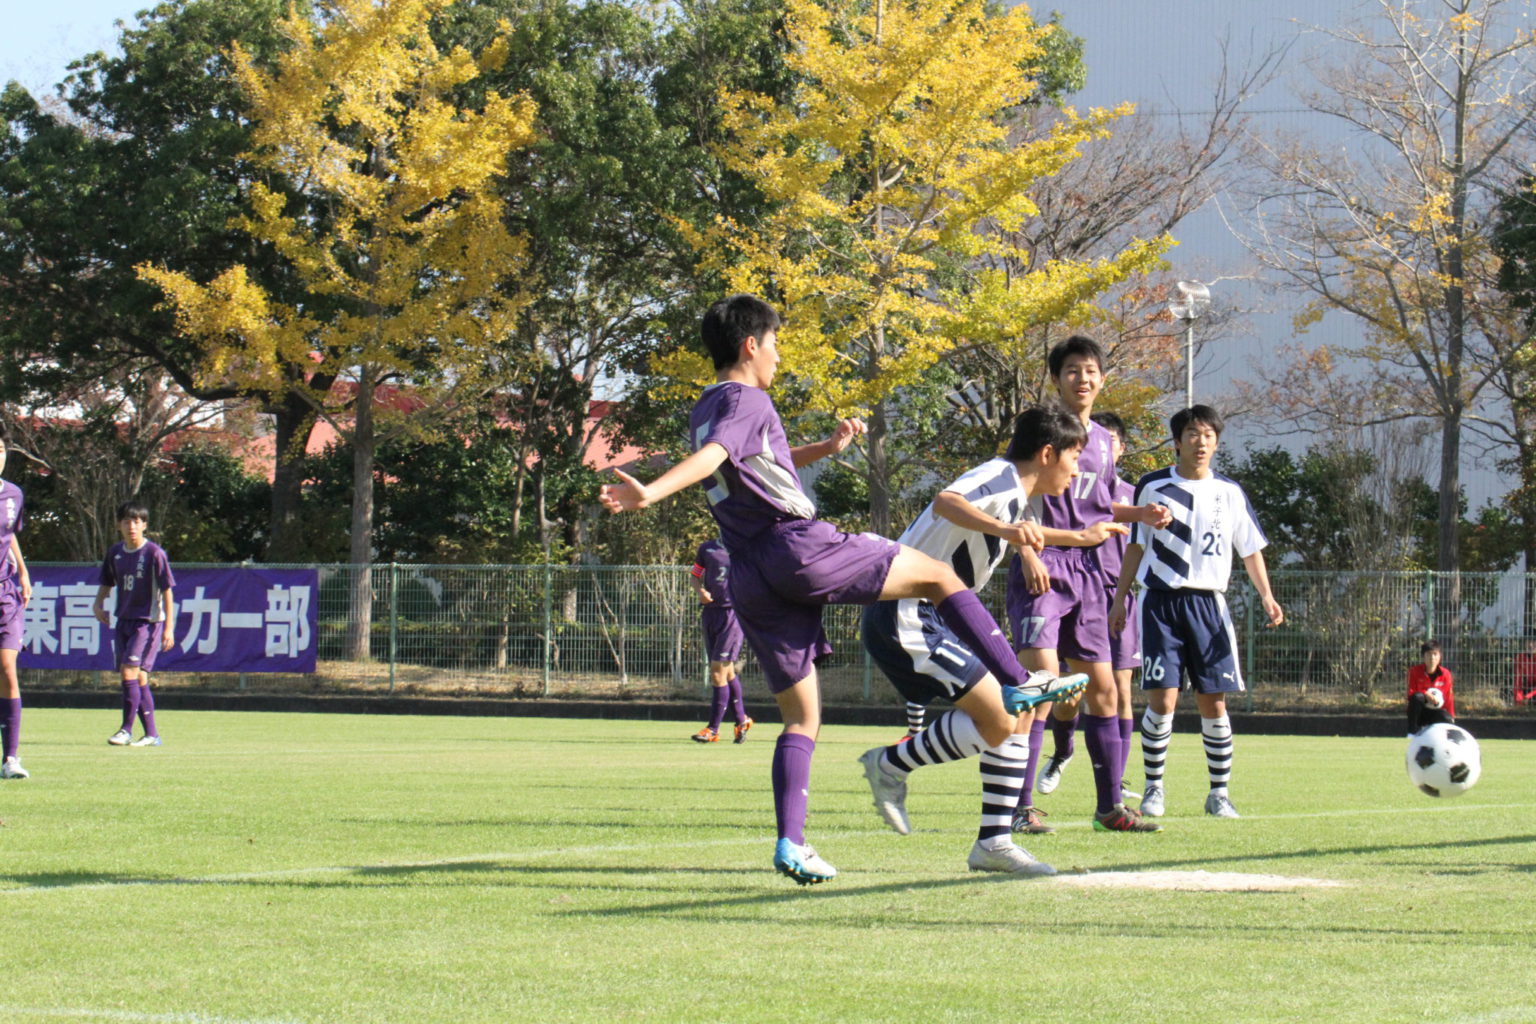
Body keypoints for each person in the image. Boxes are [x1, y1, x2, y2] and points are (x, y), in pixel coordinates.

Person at [600, 294, 1081, 885]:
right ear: (751, 345)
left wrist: (824, 451)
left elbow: (752, 462)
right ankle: (1020, 681)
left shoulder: (707, 405)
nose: (778, 354)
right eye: (774, 342)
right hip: (794, 546)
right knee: (937, 575)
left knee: (802, 719)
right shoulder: (747, 397)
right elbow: (717, 456)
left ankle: (792, 843)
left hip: (751, 571)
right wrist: (649, 492)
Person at [856, 406, 1091, 876]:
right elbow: (946, 501)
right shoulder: (999, 475)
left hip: (933, 616)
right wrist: (1009, 532)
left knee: (1014, 713)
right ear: (1048, 454)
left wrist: (1081, 538)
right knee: (1008, 711)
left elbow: (1017, 526)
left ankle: (993, 843)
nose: (1077, 468)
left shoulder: (1014, 494)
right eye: (1075, 456)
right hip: (906, 612)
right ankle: (891, 765)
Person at [1004, 336, 1169, 834]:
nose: (1084, 378)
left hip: (1091, 572)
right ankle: (1021, 807)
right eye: (1073, 370)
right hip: (1045, 566)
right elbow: (1011, 494)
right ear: (1057, 378)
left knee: (1104, 691)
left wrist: (1139, 512)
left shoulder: (1101, 440)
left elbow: (1098, 502)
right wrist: (1027, 551)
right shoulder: (1039, 428)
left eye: (1092, 370)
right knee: (1042, 689)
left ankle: (1109, 808)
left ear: (1103, 378)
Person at [1109, 405, 1284, 819]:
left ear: (1216, 442)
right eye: (1191, 434)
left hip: (1209, 605)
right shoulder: (1151, 486)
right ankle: (1154, 788)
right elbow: (1134, 546)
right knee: (1162, 700)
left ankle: (1219, 794)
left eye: (1207, 434)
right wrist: (1120, 598)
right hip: (1160, 603)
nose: (1200, 441)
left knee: (1214, 703)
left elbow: (1251, 549)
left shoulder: (1230, 492)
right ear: (1177, 441)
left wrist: (1267, 595)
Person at [1090, 411, 1143, 805]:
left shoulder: (1134, 494)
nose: (1105, 446)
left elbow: (1139, 547)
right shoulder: (1075, 487)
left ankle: (1118, 781)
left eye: (1113, 440)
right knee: (1063, 689)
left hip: (1119, 595)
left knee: (1121, 687)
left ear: (1121, 448)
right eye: (1098, 438)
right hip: (1078, 591)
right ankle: (1061, 752)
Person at [93, 501, 176, 747]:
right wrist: (98, 604)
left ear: (145, 525)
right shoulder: (115, 553)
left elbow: (168, 592)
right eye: (127, 521)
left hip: (147, 623)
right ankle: (152, 735)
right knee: (138, 679)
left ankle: (125, 730)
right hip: (124, 620)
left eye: (137, 522)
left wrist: (169, 627)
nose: (132, 526)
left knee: (128, 672)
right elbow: (107, 582)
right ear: (119, 525)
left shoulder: (154, 554)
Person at [688, 538, 753, 744]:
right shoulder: (707, 548)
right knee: (728, 671)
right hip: (710, 613)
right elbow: (695, 576)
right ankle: (742, 720)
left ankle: (713, 729)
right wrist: (701, 592)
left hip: (733, 614)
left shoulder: (745, 546)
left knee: (717, 671)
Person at [0, 425, 32, 779]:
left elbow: (9, 537)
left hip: (6, 594)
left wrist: (22, 572)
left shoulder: (13, 494)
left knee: (7, 668)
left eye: (1, 450)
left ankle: (11, 759)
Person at [1406, 640, 1455, 734]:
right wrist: (1425, 694)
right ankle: (1412, 733)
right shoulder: (1414, 672)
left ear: (1440, 656)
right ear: (1423, 656)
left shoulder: (1446, 674)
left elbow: (1449, 698)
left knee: (1447, 719)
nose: (1432, 658)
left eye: (1435, 654)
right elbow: (1411, 694)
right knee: (1417, 697)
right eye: (1428, 654)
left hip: (1436, 711)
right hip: (1420, 713)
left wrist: (1451, 716)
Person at [1514, 639, 1536, 705]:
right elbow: (1518, 681)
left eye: (1534, 641)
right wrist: (1519, 700)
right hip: (1528, 687)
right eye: (1528, 641)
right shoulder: (1520, 657)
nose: (1530, 645)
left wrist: (1528, 696)